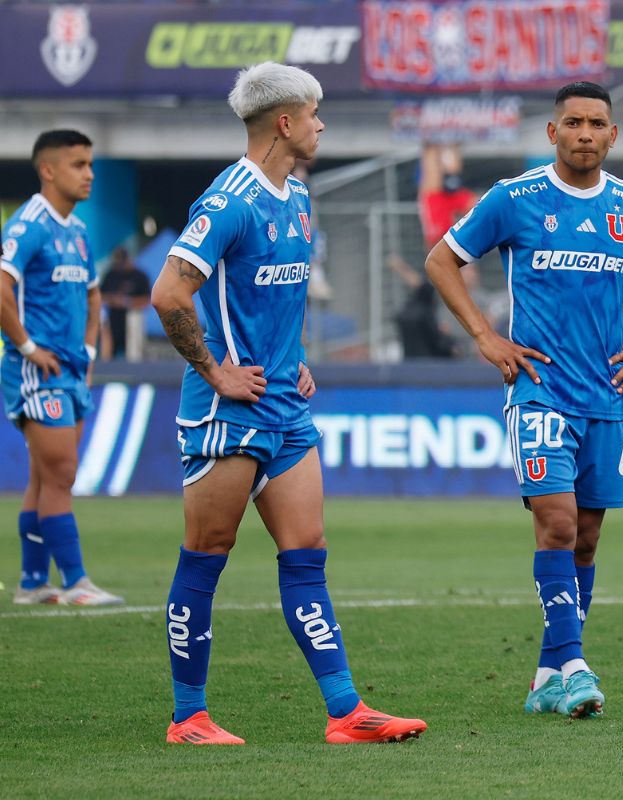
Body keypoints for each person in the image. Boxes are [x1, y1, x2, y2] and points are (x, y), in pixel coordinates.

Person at [150, 62, 426, 745]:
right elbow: (168, 294)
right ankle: (189, 716)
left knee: (307, 553)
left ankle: (346, 712)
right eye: (314, 114)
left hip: (285, 410)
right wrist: (216, 372)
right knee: (206, 554)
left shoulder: (298, 199)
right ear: (284, 122)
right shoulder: (228, 201)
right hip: (227, 413)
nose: (321, 124)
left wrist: (292, 355)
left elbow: (277, 293)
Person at [425, 81, 623, 719]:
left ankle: (548, 673)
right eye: (573, 122)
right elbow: (441, 259)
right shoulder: (514, 199)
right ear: (553, 132)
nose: (585, 133)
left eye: (597, 123)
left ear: (613, 135)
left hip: (607, 396)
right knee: (559, 525)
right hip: (539, 393)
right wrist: (485, 336)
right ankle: (574, 664)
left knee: (588, 538)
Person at [1, 129, 123, 607]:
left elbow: (94, 296)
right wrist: (28, 347)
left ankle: (33, 584)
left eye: (90, 164)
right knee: (62, 473)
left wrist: (89, 355)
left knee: (44, 478)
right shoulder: (28, 224)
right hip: (37, 371)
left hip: (71, 369)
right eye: (78, 164)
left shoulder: (78, 230)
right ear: (47, 170)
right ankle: (76, 582)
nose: (89, 173)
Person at [99, 246, 151, 359]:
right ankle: (106, 365)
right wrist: (113, 300)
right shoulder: (111, 274)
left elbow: (147, 300)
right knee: (106, 331)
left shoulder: (139, 276)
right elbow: (100, 295)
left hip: (132, 317)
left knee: (133, 354)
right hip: (114, 318)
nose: (119, 266)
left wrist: (127, 302)